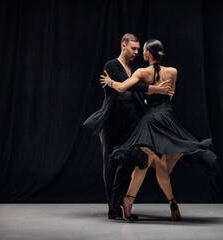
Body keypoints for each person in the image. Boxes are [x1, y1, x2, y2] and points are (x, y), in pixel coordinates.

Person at [100, 39, 217, 222]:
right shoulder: (173, 72)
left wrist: (110, 81)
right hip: (166, 118)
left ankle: (127, 204)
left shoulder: (141, 71)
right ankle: (171, 202)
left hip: (150, 119)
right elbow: (169, 97)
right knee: (160, 163)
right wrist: (154, 95)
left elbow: (122, 87)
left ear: (148, 53)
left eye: (142, 50)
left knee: (144, 162)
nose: (140, 53)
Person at [83, 34, 174, 219]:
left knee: (127, 160)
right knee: (111, 162)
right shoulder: (111, 66)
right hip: (111, 119)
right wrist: (155, 89)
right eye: (133, 49)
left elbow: (133, 92)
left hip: (130, 119)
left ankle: (119, 204)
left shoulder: (133, 69)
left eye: (138, 49)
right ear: (123, 45)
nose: (136, 52)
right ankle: (113, 208)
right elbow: (127, 87)